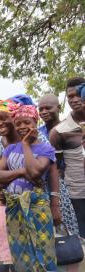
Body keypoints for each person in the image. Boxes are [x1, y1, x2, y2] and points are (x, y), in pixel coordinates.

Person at [0, 104, 58, 272]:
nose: (22, 127)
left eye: (27, 122)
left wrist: (26, 146)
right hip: (14, 209)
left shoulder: (45, 149)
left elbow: (36, 171)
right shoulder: (10, 150)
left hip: (38, 208)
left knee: (44, 258)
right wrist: (20, 171)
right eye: (18, 123)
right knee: (23, 260)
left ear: (35, 123)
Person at [49, 77, 85, 238]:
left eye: (79, 94)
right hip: (77, 195)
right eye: (70, 96)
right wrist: (57, 201)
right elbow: (55, 169)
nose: (75, 99)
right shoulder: (58, 131)